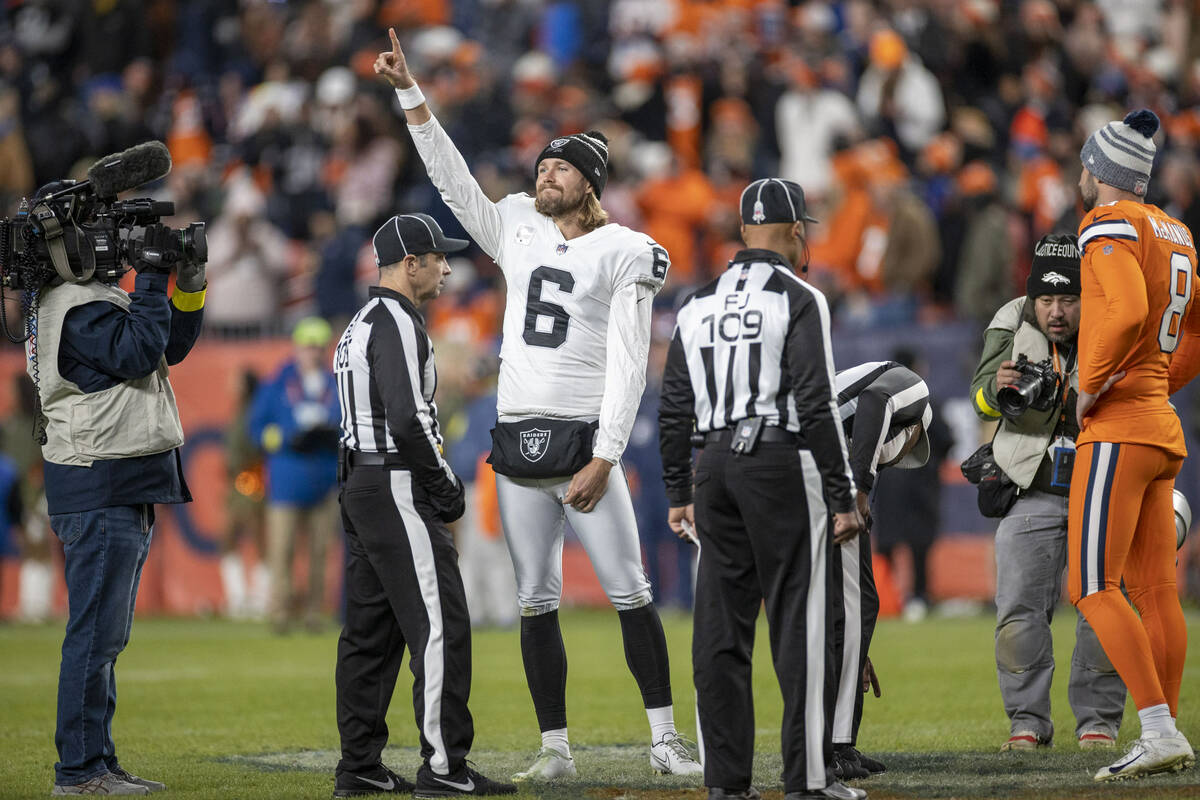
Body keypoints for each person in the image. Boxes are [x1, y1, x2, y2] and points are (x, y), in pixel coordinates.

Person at [373, 28, 703, 781]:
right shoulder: (515, 221)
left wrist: (607, 453)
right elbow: (454, 182)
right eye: (542, 164)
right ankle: (554, 749)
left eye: (561, 166)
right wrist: (410, 94)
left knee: (631, 592)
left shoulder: (623, 247)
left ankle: (664, 739)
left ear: (590, 182)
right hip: (518, 443)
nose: (545, 173)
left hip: (586, 442)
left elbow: (627, 359)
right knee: (534, 600)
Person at [659, 177, 866, 800]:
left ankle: (727, 784)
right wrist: (841, 492)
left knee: (721, 630)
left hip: (714, 465)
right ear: (798, 231)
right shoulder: (800, 295)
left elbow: (673, 407)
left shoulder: (695, 303)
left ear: (742, 231)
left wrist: (678, 491)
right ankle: (806, 782)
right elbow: (816, 397)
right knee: (800, 624)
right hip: (779, 461)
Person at [332, 213, 516, 798]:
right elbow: (409, 419)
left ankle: (359, 764)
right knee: (440, 627)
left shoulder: (360, 320)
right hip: (395, 484)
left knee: (370, 633)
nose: (446, 267)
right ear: (409, 263)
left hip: (363, 483)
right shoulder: (395, 321)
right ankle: (444, 768)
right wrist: (443, 487)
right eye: (437, 257)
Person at [32, 216, 205, 795]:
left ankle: (97, 763)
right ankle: (79, 772)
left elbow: (168, 346)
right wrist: (152, 279)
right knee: (95, 636)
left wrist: (188, 284)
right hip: (98, 480)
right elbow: (139, 351)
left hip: (114, 475)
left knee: (105, 637)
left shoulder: (87, 298)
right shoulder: (73, 303)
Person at [1069, 109, 1198, 781]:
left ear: (1098, 170)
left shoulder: (1107, 223)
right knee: (1155, 589)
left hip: (1120, 425)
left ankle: (1155, 728)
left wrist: (1090, 386)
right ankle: (1167, 731)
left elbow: (1124, 312)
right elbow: (1196, 330)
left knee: (1092, 585)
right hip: (1159, 420)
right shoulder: (1176, 232)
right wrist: (1156, 380)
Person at [967, 233, 1126, 752]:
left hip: (1098, 487)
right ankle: (1026, 723)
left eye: (1068, 299)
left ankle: (1098, 722)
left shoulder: (1113, 320)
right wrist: (995, 391)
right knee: (1017, 613)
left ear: (1085, 297)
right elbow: (979, 400)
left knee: (1103, 609)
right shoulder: (1009, 321)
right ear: (1032, 298)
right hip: (1027, 487)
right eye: (1047, 300)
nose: (1057, 312)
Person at [827, 360, 934, 780]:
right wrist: (861, 487)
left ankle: (829, 742)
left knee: (839, 611)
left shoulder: (842, 405)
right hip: (816, 470)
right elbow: (876, 400)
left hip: (774, 468)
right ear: (916, 431)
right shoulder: (915, 390)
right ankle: (834, 746)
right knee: (857, 606)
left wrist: (858, 649)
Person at [249, 316, 341, 633]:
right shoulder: (277, 384)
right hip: (287, 480)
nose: (313, 353)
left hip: (324, 479)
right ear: (297, 348)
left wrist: (332, 436)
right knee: (282, 550)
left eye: (318, 347)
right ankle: (280, 613)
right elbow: (257, 430)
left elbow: (347, 427)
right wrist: (286, 439)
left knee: (319, 552)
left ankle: (314, 614)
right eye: (308, 347)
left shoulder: (335, 385)